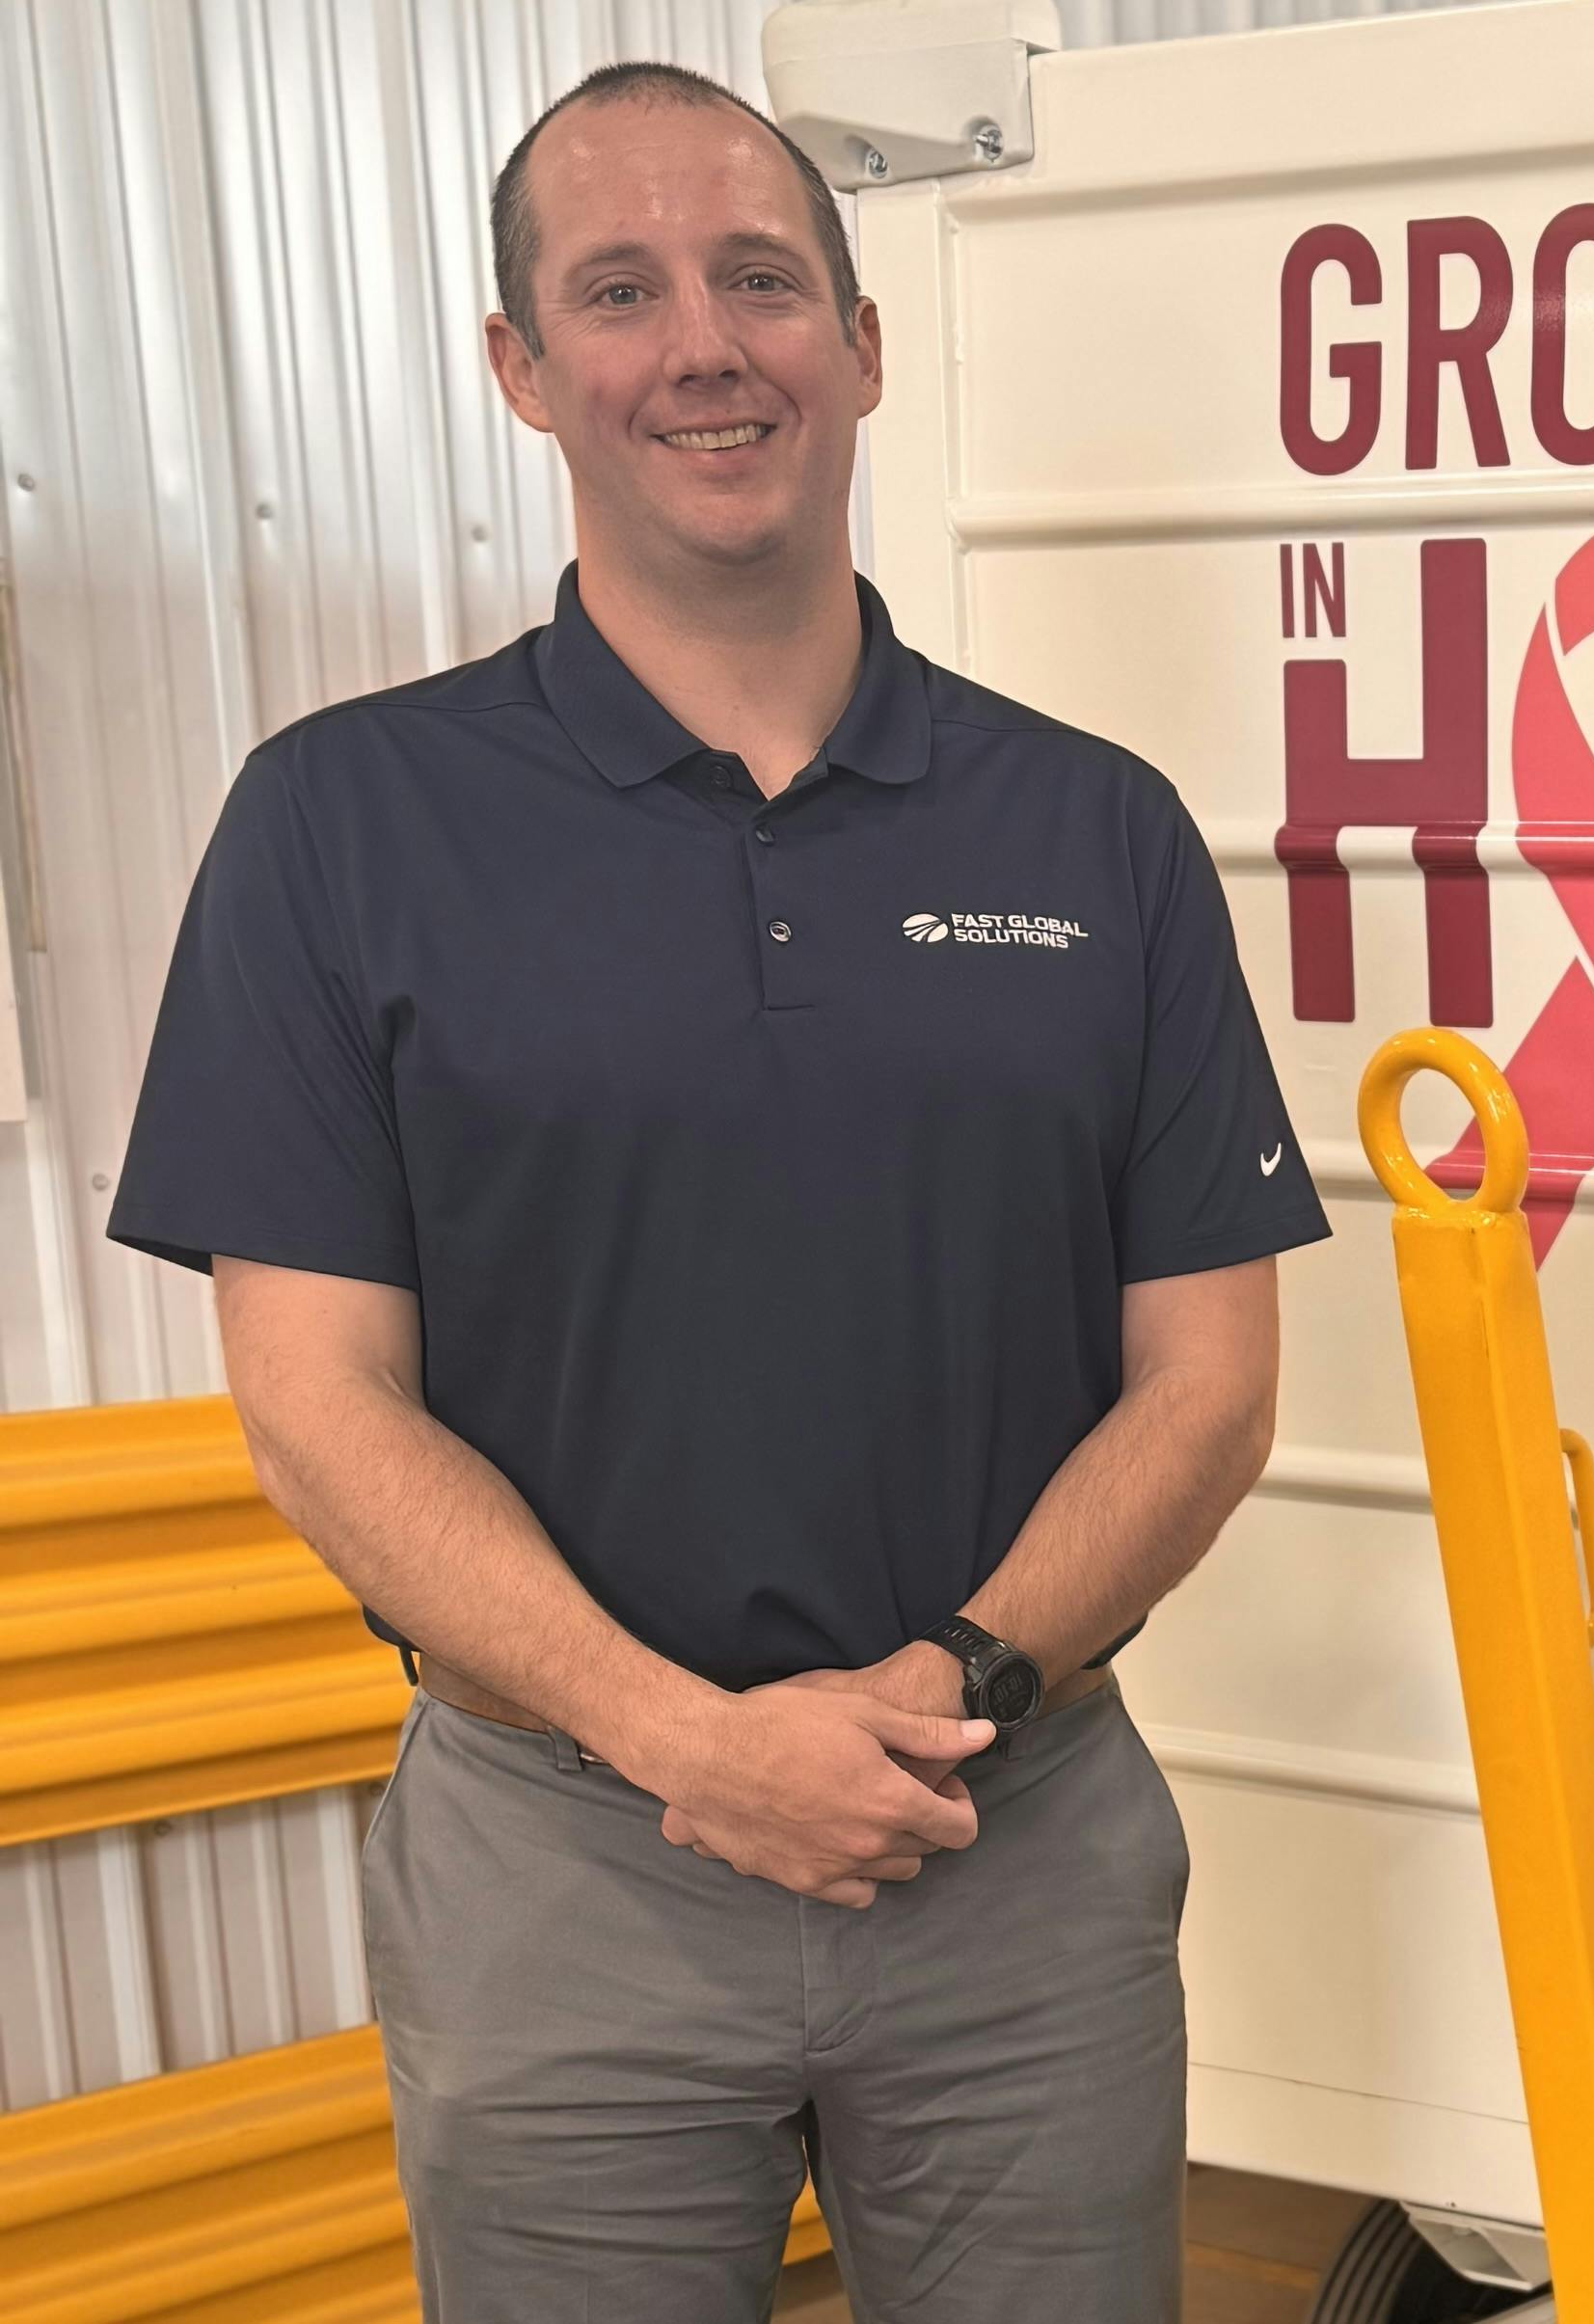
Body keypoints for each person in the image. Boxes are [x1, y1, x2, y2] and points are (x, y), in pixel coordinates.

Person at [104, 62, 1324, 2323]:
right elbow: (315, 1400)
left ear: (862, 343)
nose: (705, 344)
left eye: (765, 278)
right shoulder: (340, 824)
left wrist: (946, 1681)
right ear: (522, 368)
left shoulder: (1096, 835)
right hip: (567, 1852)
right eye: (621, 289)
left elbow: (1211, 1381)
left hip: (1013, 1837)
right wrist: (683, 1736)